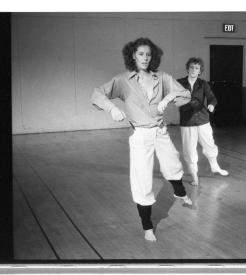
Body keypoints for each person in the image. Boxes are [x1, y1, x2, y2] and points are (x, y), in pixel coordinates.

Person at [91, 38, 192, 242]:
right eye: (141, 54)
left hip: (161, 130)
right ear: (132, 56)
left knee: (172, 163)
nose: (145, 58)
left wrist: (167, 98)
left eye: (148, 54)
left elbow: (185, 95)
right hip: (140, 135)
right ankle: (147, 226)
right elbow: (97, 94)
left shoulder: (161, 77)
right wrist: (112, 109)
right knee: (142, 179)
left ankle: (180, 192)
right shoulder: (123, 81)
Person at [177, 57, 228, 186]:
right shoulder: (179, 83)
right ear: (187, 69)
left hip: (203, 119)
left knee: (209, 144)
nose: (194, 70)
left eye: (197, 68)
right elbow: (173, 97)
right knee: (189, 150)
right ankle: (195, 177)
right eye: (192, 67)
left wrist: (211, 105)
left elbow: (212, 98)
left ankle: (214, 166)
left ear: (200, 71)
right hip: (187, 122)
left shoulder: (203, 83)